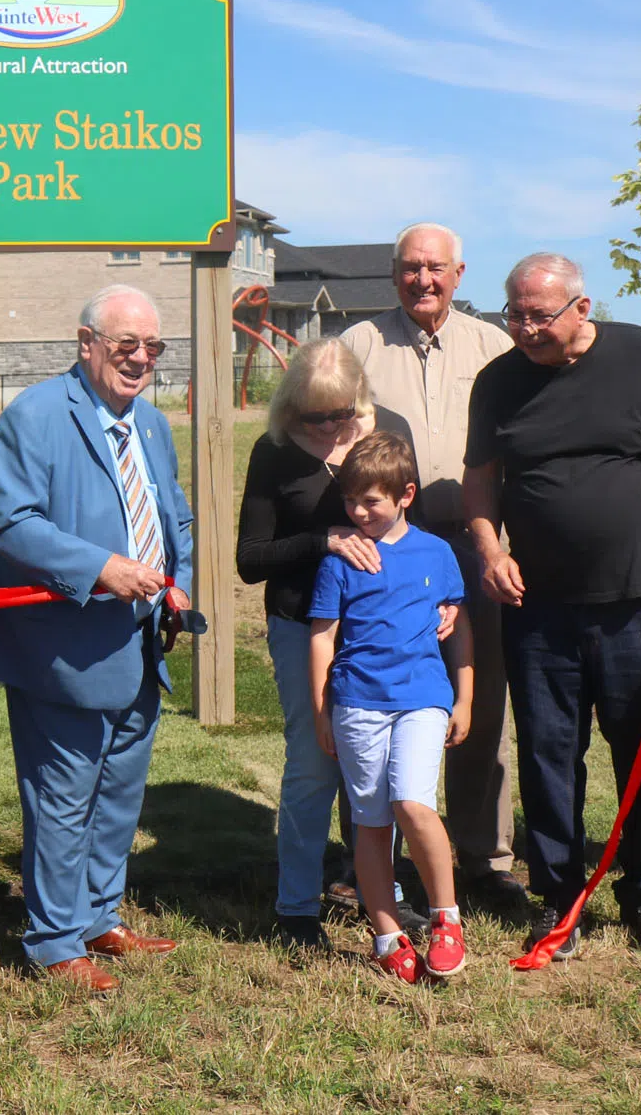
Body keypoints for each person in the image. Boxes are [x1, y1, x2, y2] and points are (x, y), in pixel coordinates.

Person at [462, 253, 641, 959]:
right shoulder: (499, 382)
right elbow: (480, 478)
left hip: (640, 607)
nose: (523, 328)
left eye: (537, 315)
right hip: (538, 610)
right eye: (512, 313)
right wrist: (491, 550)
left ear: (581, 307)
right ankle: (559, 897)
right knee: (549, 754)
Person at [0, 284, 197, 994]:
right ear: (86, 342)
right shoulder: (35, 416)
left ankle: (100, 915)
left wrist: (178, 580)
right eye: (125, 344)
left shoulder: (153, 424)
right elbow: (11, 522)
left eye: (152, 347)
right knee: (63, 796)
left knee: (120, 790)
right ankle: (52, 940)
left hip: (138, 643)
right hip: (61, 647)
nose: (140, 359)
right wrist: (101, 566)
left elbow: (175, 517)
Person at [339, 223, 525, 917]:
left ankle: (485, 856)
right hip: (385, 549)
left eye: (437, 267)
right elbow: (329, 443)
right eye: (412, 267)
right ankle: (373, 861)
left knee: (479, 702)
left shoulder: (494, 345)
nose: (425, 279)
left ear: (459, 271)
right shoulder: (358, 345)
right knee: (375, 696)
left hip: (475, 542)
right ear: (394, 273)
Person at [235, 337, 418, 950]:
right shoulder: (276, 451)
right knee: (314, 764)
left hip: (379, 628)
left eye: (344, 412)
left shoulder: (387, 431)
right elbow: (251, 560)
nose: (336, 427)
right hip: (300, 625)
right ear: (291, 409)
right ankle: (295, 907)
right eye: (319, 417)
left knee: (377, 766)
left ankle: (380, 898)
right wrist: (325, 540)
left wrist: (436, 601)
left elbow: (410, 530)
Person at [309, 431, 471, 983]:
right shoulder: (342, 558)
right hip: (356, 703)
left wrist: (465, 695)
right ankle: (386, 935)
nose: (357, 512)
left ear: (406, 494)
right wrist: (321, 709)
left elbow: (459, 628)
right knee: (371, 823)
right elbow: (322, 637)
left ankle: (446, 919)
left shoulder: (438, 552)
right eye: (350, 501)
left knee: (412, 803)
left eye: (370, 501)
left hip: (422, 698)